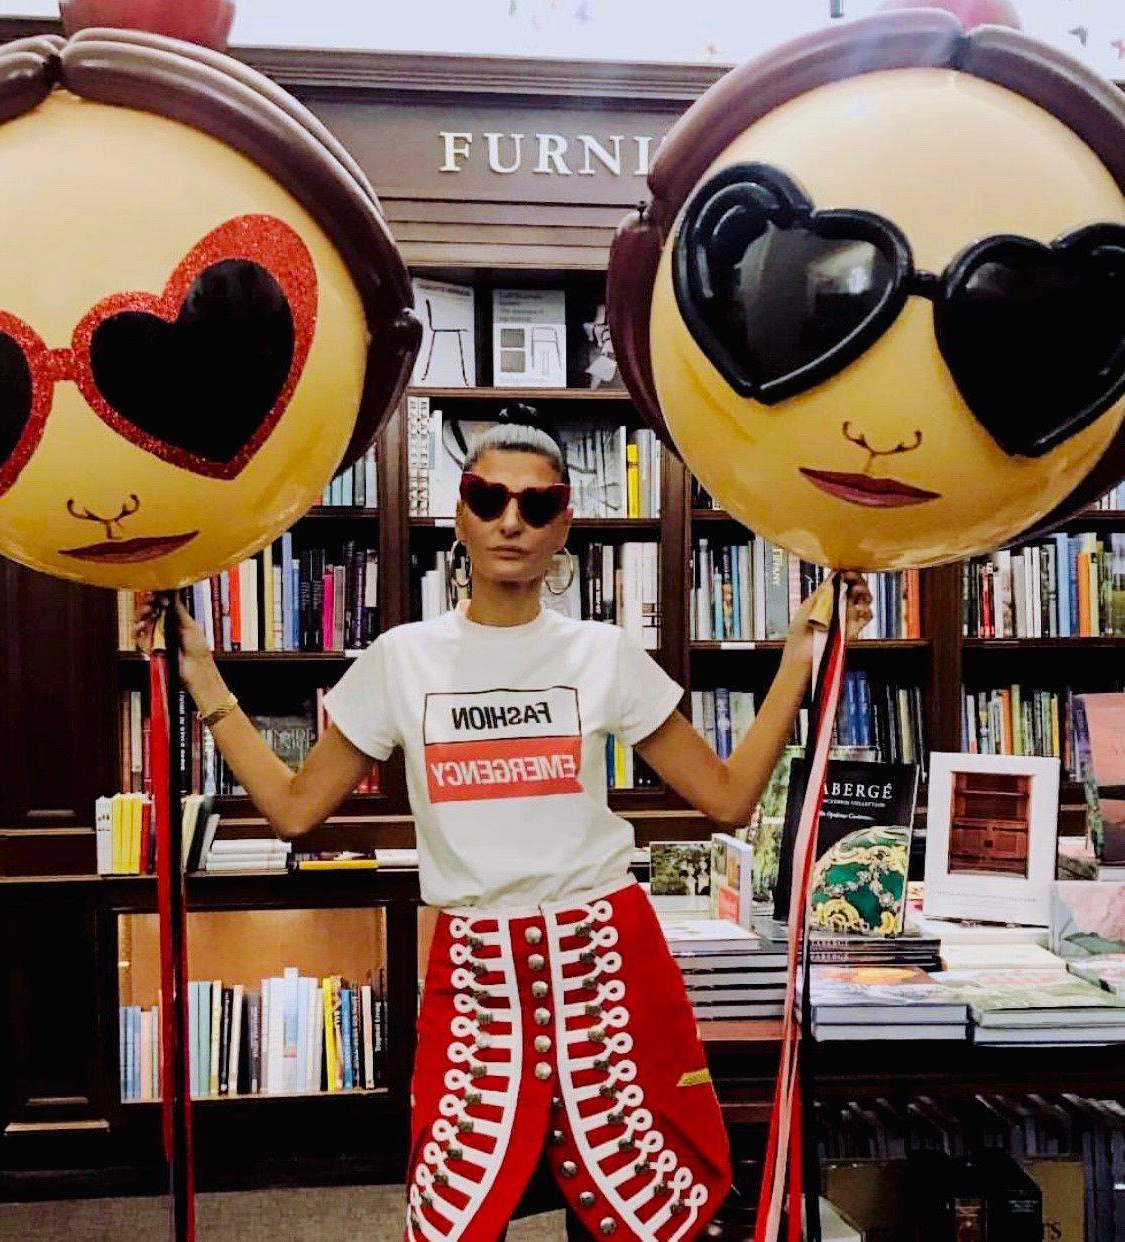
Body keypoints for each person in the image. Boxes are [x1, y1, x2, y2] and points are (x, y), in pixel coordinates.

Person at [136, 423, 873, 1242]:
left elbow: (729, 797)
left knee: (644, 1218)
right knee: (452, 1218)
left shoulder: (604, 653)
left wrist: (799, 658)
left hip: (607, 965)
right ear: (459, 516)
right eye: (489, 499)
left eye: (538, 503)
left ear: (564, 527)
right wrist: (204, 681)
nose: (511, 521)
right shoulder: (400, 659)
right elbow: (295, 809)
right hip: (478, 978)